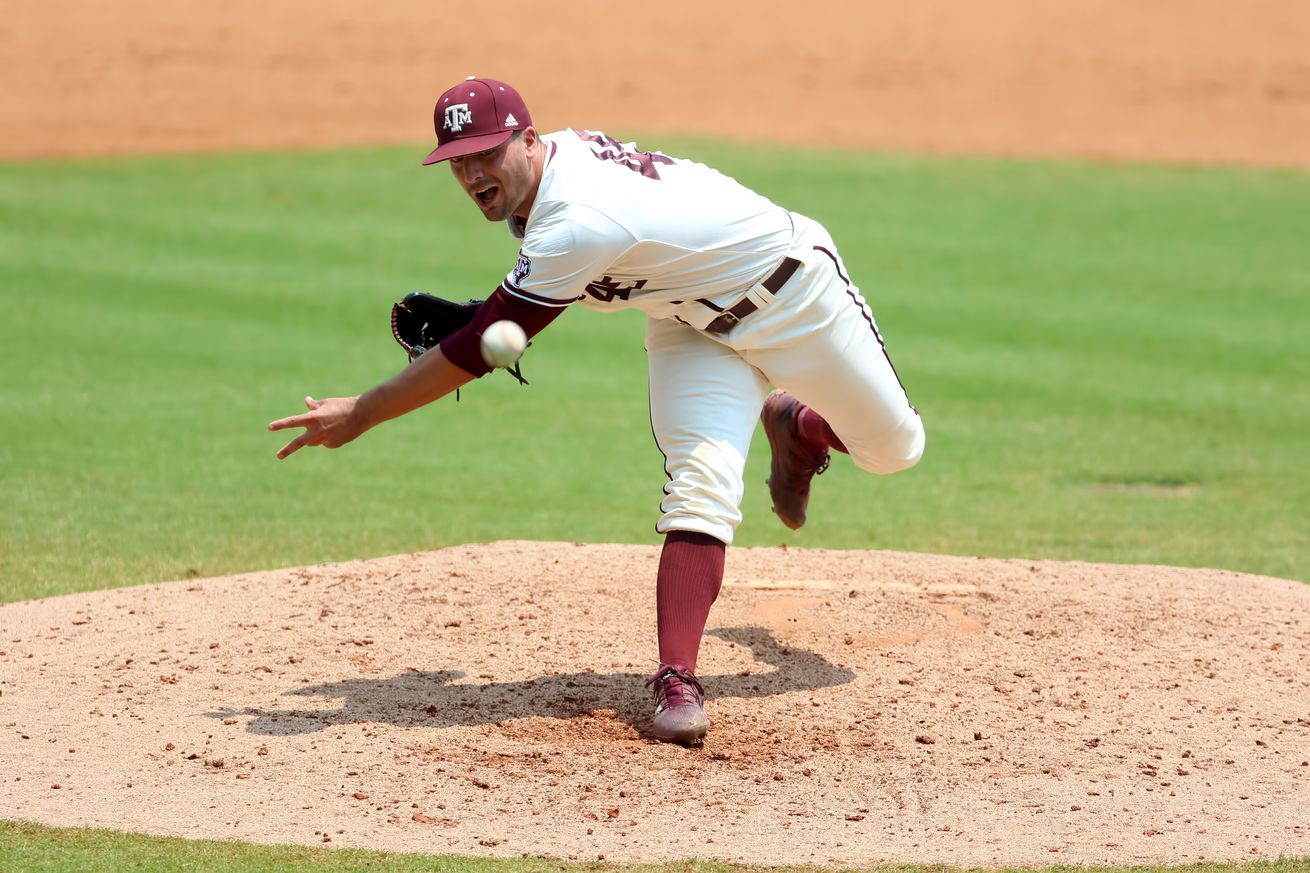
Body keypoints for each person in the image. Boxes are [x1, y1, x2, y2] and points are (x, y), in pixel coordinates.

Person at [268, 76, 925, 745]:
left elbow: (479, 349)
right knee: (700, 486)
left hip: (795, 294)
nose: (472, 173)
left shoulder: (577, 218)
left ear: (529, 139)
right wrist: (501, 312)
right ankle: (678, 678)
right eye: (458, 161)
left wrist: (362, 413)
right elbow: (530, 303)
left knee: (895, 448)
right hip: (689, 324)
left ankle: (797, 423)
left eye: (486, 153)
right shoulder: (545, 188)